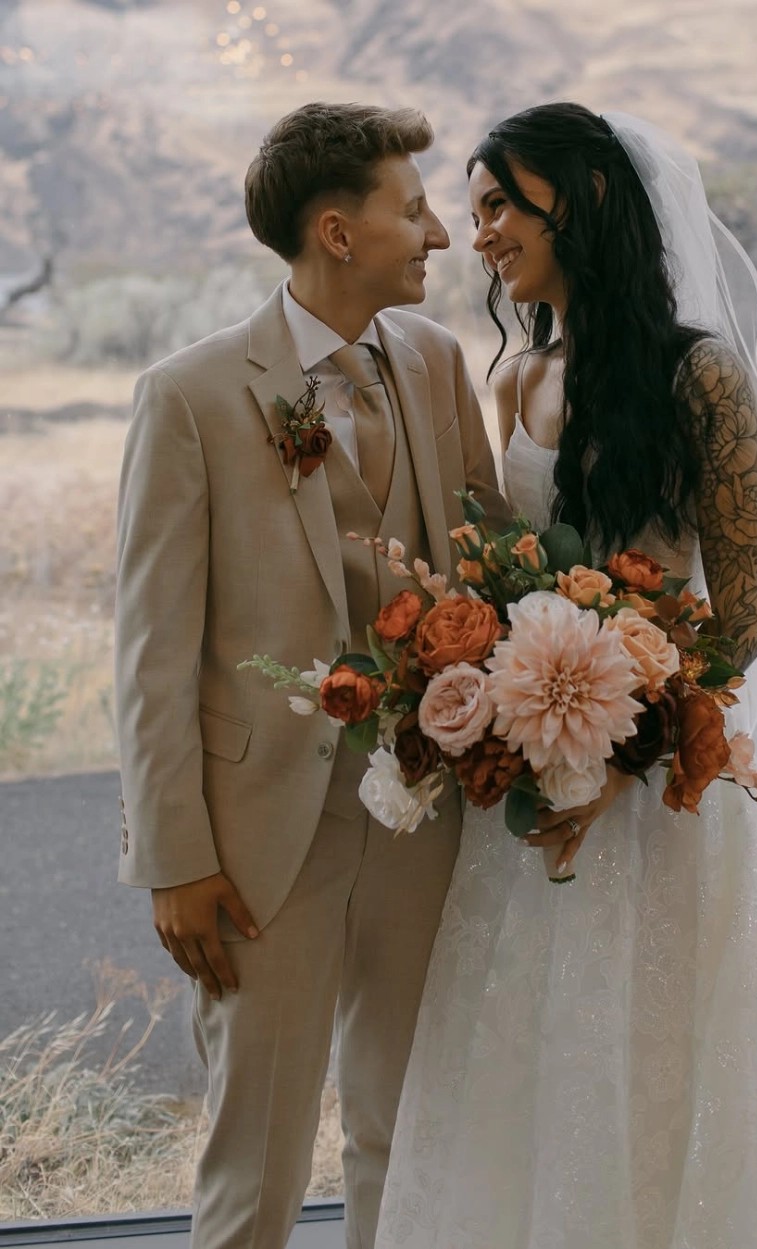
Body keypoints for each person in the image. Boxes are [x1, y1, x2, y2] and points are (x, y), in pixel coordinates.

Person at [374, 103, 757, 1247]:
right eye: (474, 214)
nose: (483, 236)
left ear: (589, 199)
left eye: (503, 203)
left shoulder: (697, 375)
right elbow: (504, 581)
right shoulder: (515, 379)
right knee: (533, 1070)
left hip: (657, 799)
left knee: (681, 1063)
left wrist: (620, 751)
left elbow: (746, 613)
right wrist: (511, 722)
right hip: (524, 807)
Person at [114, 101, 509, 1249]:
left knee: (409, 1131)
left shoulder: (436, 363)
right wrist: (173, 858)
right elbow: (150, 649)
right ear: (338, 234)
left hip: (425, 821)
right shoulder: (190, 395)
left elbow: (484, 557)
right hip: (257, 842)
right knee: (257, 1160)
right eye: (414, 207)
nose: (439, 234)